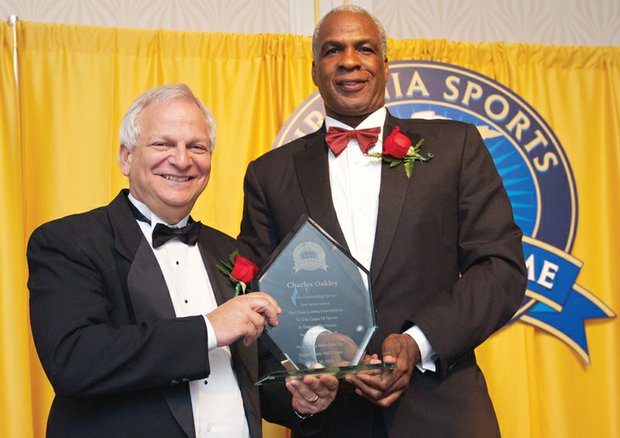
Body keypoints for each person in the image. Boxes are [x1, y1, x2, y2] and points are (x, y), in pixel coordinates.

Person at [239, 5, 527, 438]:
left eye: (365, 48)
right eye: (333, 50)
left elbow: (500, 269)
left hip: (445, 417)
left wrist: (418, 341)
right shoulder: (270, 175)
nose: (349, 60)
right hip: (332, 422)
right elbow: (256, 299)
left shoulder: (456, 148)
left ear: (385, 65)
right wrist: (316, 344)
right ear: (315, 70)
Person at [27, 83, 334, 438]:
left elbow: (254, 373)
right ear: (126, 157)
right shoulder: (69, 242)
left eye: (196, 147)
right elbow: (75, 361)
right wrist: (208, 329)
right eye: (163, 144)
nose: (182, 159)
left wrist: (300, 400)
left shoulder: (232, 253)